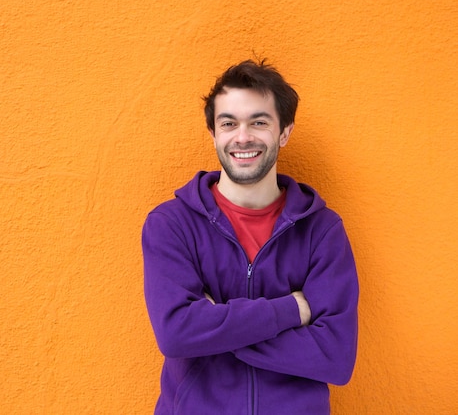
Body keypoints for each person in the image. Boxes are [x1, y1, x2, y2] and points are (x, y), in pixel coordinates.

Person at [141, 59, 359, 414]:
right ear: (213, 133)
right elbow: (176, 335)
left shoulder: (321, 230)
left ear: (284, 132)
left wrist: (214, 329)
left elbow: (335, 356)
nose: (243, 137)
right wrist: (291, 309)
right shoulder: (172, 224)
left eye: (259, 122)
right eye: (229, 123)